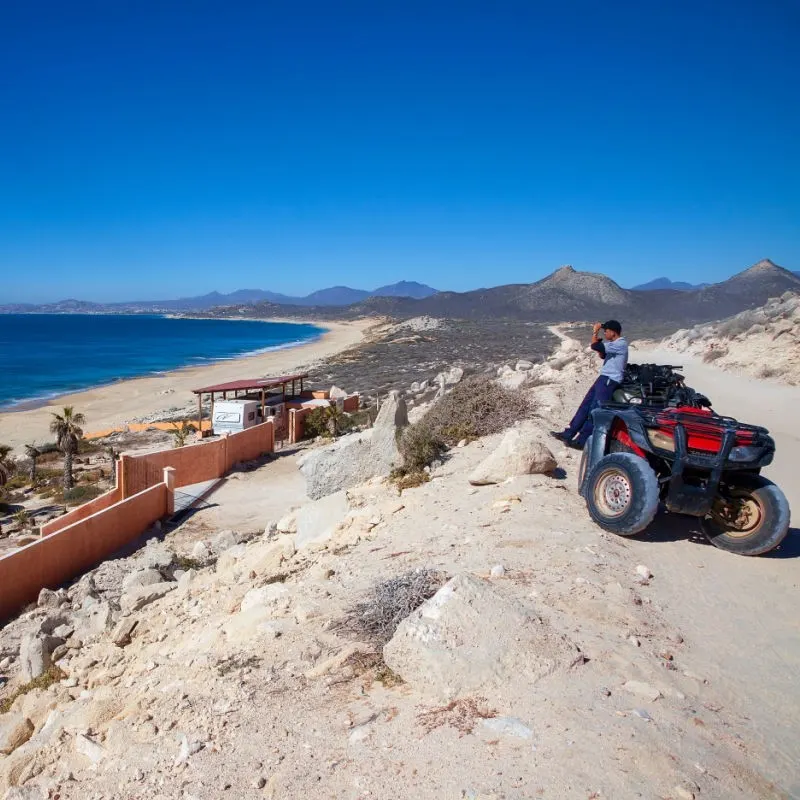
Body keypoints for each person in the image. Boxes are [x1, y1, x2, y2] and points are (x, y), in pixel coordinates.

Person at [550, 320, 628, 450]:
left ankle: (583, 440)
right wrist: (599, 344)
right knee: (586, 405)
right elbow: (603, 355)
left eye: (606, 331)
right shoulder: (614, 344)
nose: (605, 333)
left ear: (613, 332)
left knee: (595, 409)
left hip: (610, 380)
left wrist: (595, 331)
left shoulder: (620, 344)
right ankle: (568, 433)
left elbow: (595, 347)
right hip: (604, 377)